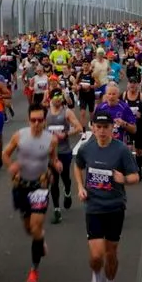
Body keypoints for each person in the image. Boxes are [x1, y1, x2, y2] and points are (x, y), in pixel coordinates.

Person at [73, 110, 140, 282]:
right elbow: (78, 166)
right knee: (96, 256)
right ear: (93, 128)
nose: (102, 132)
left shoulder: (121, 151)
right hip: (94, 207)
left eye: (106, 128)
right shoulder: (87, 148)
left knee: (111, 254)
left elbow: (135, 177)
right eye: (98, 127)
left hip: (114, 207)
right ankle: (96, 276)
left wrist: (124, 179)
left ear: (113, 128)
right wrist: (80, 187)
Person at [2, 107, 58, 282]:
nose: (36, 123)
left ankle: (33, 272)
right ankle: (40, 240)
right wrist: (12, 168)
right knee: (29, 229)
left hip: (40, 188)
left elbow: (53, 160)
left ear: (44, 121)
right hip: (21, 186)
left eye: (39, 120)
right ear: (28, 120)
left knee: (35, 226)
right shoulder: (19, 136)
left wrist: (54, 168)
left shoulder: (51, 139)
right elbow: (5, 154)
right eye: (33, 120)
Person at [43, 93, 82, 223]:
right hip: (50, 153)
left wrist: (65, 134)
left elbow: (78, 127)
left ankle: (68, 191)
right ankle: (57, 210)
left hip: (64, 151)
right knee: (53, 180)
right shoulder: (46, 112)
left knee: (65, 177)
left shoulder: (67, 112)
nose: (58, 100)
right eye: (55, 98)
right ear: (51, 99)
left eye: (60, 98)